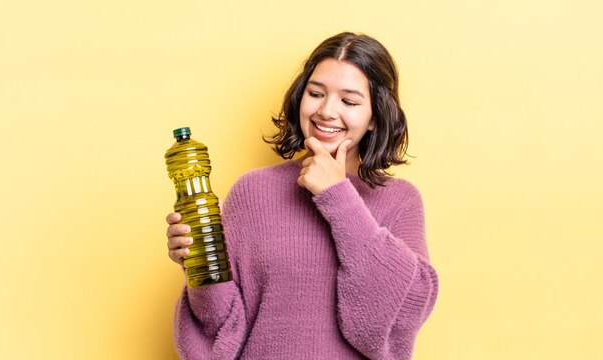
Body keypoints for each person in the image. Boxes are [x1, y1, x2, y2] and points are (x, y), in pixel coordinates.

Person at [166, 32, 438, 360]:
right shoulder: (252, 192)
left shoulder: (400, 200)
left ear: (375, 118)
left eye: (349, 101)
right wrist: (200, 265)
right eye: (315, 93)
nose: (326, 111)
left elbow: (398, 316)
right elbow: (221, 328)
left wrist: (338, 197)